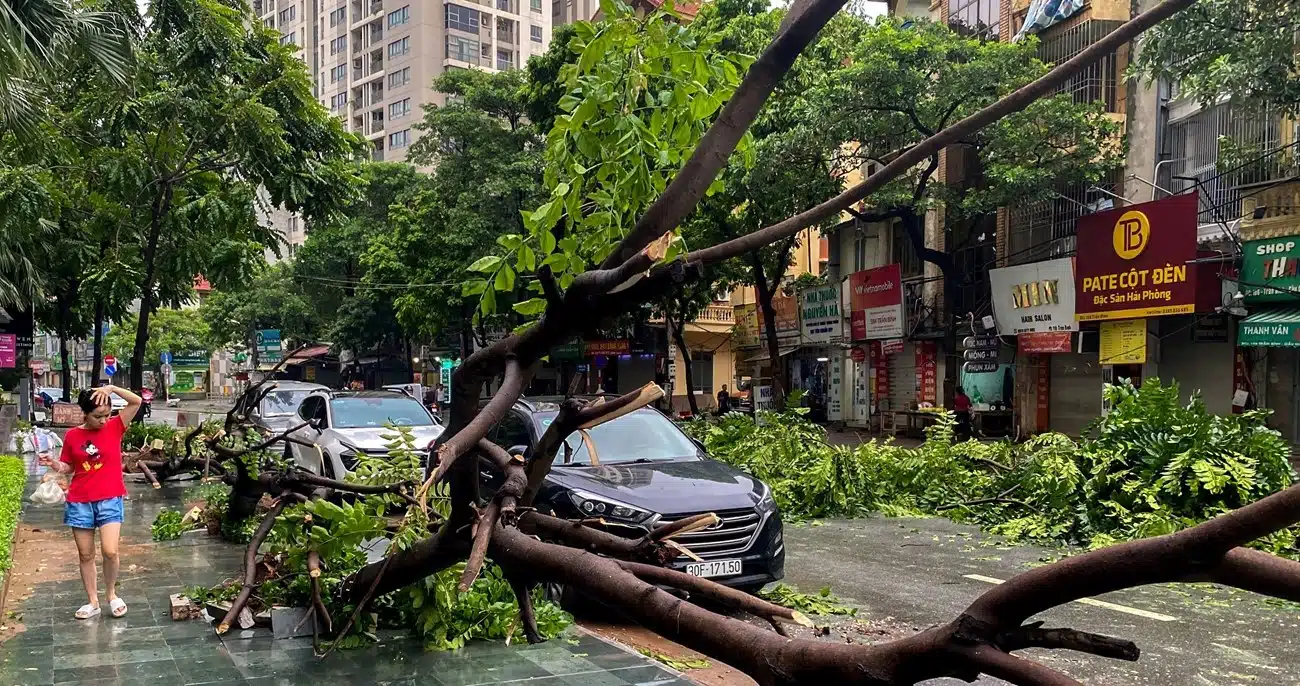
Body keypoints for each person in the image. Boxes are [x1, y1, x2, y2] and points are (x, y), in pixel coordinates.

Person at [38, 384, 142, 620]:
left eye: (106, 415)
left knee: (110, 551)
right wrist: (55, 465)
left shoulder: (116, 426)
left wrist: (112, 388)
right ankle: (92, 601)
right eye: (98, 417)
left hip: (110, 498)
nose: (104, 420)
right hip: (80, 501)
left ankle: (112, 594)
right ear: (85, 413)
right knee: (85, 554)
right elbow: (69, 466)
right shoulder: (73, 435)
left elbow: (136, 401)